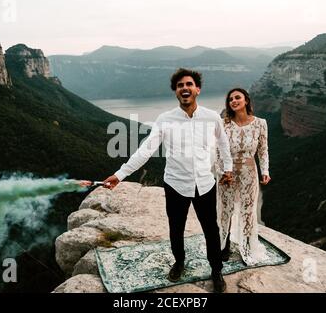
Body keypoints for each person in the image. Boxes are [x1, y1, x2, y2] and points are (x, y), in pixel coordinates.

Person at [97, 68, 234, 293]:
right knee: (175, 228)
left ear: (197, 89)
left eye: (189, 84)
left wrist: (227, 168)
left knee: (211, 229)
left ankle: (216, 269)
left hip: (205, 184)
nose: (184, 88)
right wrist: (121, 174)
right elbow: (146, 150)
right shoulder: (165, 119)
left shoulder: (211, 117)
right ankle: (179, 262)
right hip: (176, 184)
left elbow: (223, 144)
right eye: (180, 86)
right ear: (176, 92)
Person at [215, 87, 271, 266]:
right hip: (227, 173)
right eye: (230, 99)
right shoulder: (224, 124)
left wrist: (265, 172)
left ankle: (246, 246)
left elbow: (263, 151)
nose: (233, 101)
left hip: (249, 173)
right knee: (226, 210)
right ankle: (223, 246)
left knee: (248, 210)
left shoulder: (260, 124)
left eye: (237, 97)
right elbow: (217, 151)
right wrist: (223, 172)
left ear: (246, 100)